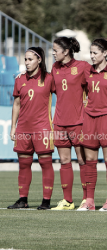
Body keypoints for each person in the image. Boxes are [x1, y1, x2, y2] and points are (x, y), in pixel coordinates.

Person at [77, 38, 107, 211]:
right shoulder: (86, 72)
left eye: (95, 53)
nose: (92, 56)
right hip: (89, 119)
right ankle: (89, 201)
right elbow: (84, 92)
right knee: (90, 160)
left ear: (105, 53)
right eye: (90, 53)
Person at [8, 47, 55, 210]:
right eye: (25, 60)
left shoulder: (49, 78)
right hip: (23, 129)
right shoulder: (19, 79)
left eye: (30, 59)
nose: (27, 63)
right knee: (23, 164)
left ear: (39, 60)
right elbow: (17, 104)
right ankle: (23, 199)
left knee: (46, 164)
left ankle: (46, 201)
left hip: (43, 128)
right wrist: (13, 126)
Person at [49, 37, 91, 210]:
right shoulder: (54, 68)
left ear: (66, 51)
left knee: (82, 160)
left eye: (55, 50)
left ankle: (87, 199)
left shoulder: (83, 67)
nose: (52, 53)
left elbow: (96, 85)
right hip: (59, 122)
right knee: (64, 161)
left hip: (78, 122)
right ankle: (68, 201)